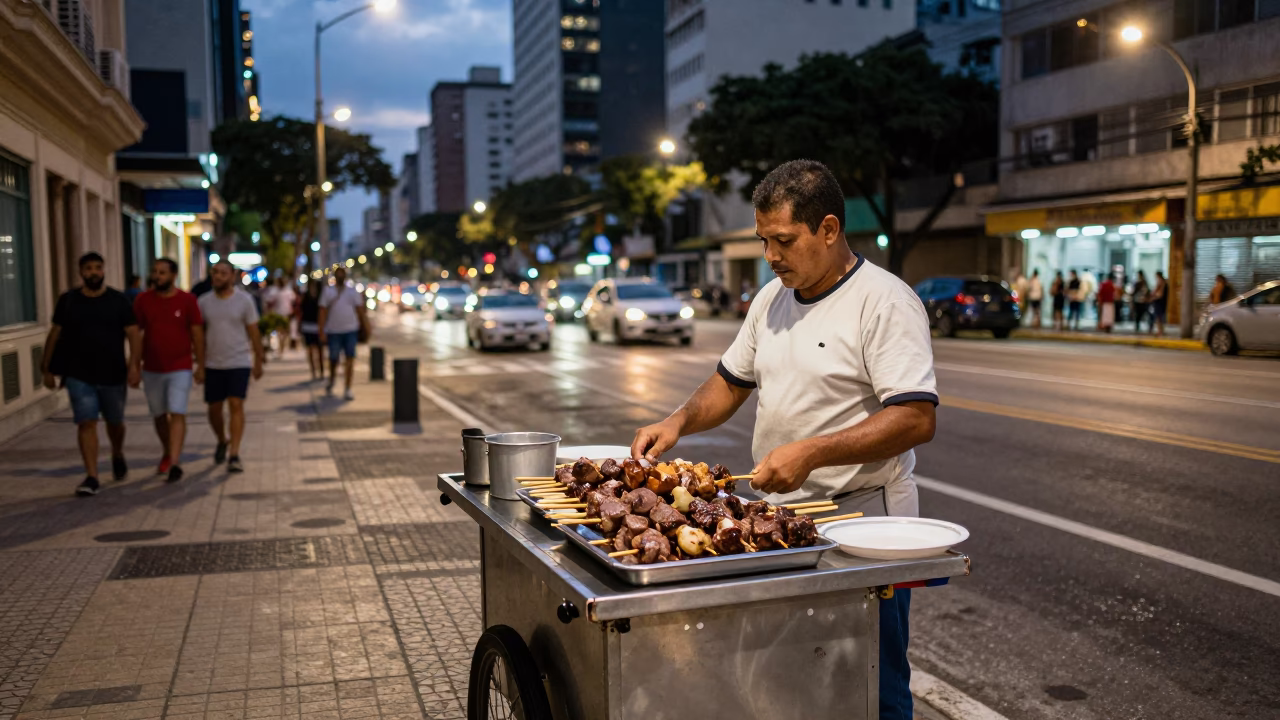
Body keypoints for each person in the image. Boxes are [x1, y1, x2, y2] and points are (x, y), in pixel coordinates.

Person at [631, 160, 936, 720]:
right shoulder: (771, 300)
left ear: (828, 229)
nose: (770, 255)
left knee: (872, 681)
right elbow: (729, 383)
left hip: (862, 523)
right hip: (783, 523)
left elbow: (915, 418)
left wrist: (812, 451)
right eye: (763, 239)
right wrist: (676, 422)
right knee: (795, 676)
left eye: (783, 240)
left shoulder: (883, 302)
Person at [40, 253, 142, 496]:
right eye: (88, 268)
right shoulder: (68, 301)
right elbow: (55, 333)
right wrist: (46, 368)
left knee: (115, 423)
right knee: (86, 422)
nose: (93, 272)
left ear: (104, 270)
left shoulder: (118, 300)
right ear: (81, 272)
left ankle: (117, 453)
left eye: (97, 268)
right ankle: (92, 476)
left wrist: (134, 365)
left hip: (113, 373)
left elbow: (133, 334)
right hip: (79, 374)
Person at [134, 258, 205, 483]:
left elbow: (197, 334)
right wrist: (133, 366)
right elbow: (135, 335)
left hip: (180, 366)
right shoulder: (143, 300)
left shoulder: (187, 300)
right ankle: (167, 450)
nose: (157, 276)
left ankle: (174, 461)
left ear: (173, 275)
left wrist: (201, 365)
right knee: (158, 414)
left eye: (162, 273)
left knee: (177, 410)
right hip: (152, 367)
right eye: (155, 272)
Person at [198, 260, 264, 473]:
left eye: (223, 273)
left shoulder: (245, 300)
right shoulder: (203, 302)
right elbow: (198, 336)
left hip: (238, 361)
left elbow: (254, 332)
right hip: (213, 363)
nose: (218, 277)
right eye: (215, 272)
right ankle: (222, 439)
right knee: (214, 409)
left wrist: (258, 360)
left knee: (236, 405)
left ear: (233, 275)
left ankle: (234, 454)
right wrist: (199, 364)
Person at [318, 266, 369, 400]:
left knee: (350, 359)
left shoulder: (352, 292)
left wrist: (366, 327)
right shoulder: (327, 291)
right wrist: (321, 330)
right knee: (333, 358)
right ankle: (332, 379)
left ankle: (348, 387)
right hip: (333, 330)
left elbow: (360, 311)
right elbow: (322, 311)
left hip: (350, 330)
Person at [299, 279, 326, 381]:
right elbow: (301, 310)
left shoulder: (321, 297)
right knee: (310, 350)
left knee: (320, 351)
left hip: (318, 326)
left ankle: (321, 371)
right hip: (307, 326)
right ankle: (313, 372)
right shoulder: (305, 297)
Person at [1151, 270, 1168, 335]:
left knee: (1158, 317)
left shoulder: (1161, 282)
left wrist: (1154, 297)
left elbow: (1160, 294)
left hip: (1159, 302)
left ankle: (1160, 331)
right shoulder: (1164, 282)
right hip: (1162, 301)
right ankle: (1161, 330)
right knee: (1160, 317)